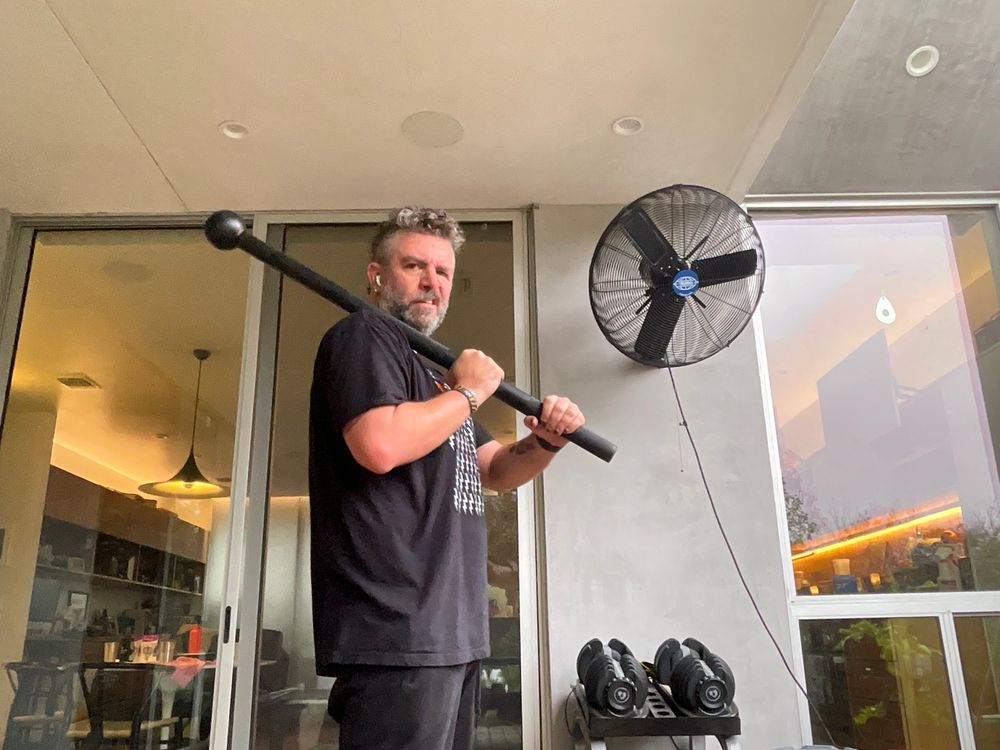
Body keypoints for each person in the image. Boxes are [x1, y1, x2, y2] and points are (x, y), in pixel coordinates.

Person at [309, 207, 585, 750]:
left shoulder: (435, 383)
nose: (431, 282)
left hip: (451, 631)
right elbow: (379, 445)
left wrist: (548, 441)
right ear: (376, 275)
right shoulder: (363, 336)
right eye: (414, 266)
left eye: (443, 272)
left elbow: (496, 469)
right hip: (397, 631)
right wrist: (472, 392)